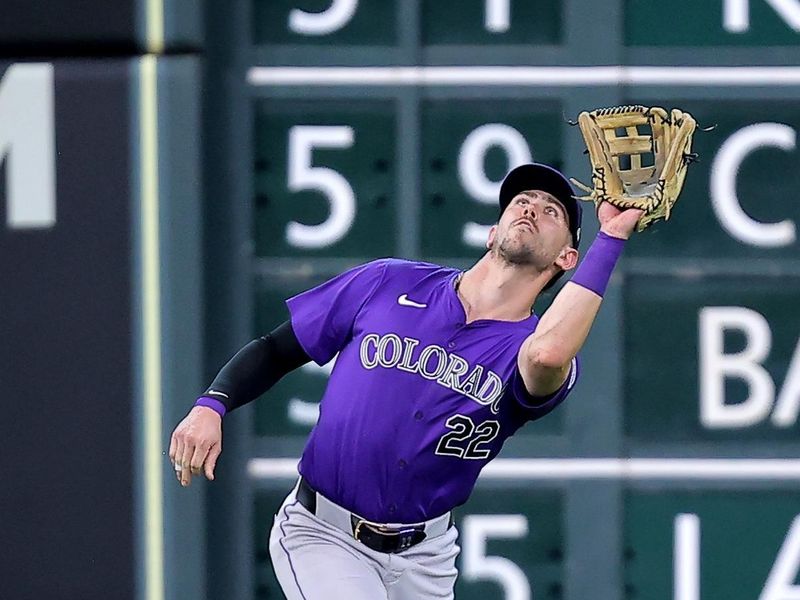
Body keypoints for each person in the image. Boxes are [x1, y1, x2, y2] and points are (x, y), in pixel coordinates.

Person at [168, 162, 643, 599]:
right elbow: (277, 347)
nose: (531, 208)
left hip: (426, 558)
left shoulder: (527, 350)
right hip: (324, 534)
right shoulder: (388, 283)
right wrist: (212, 404)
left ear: (567, 257)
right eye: (522, 200)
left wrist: (612, 237)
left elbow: (548, 351)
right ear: (493, 231)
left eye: (552, 210)